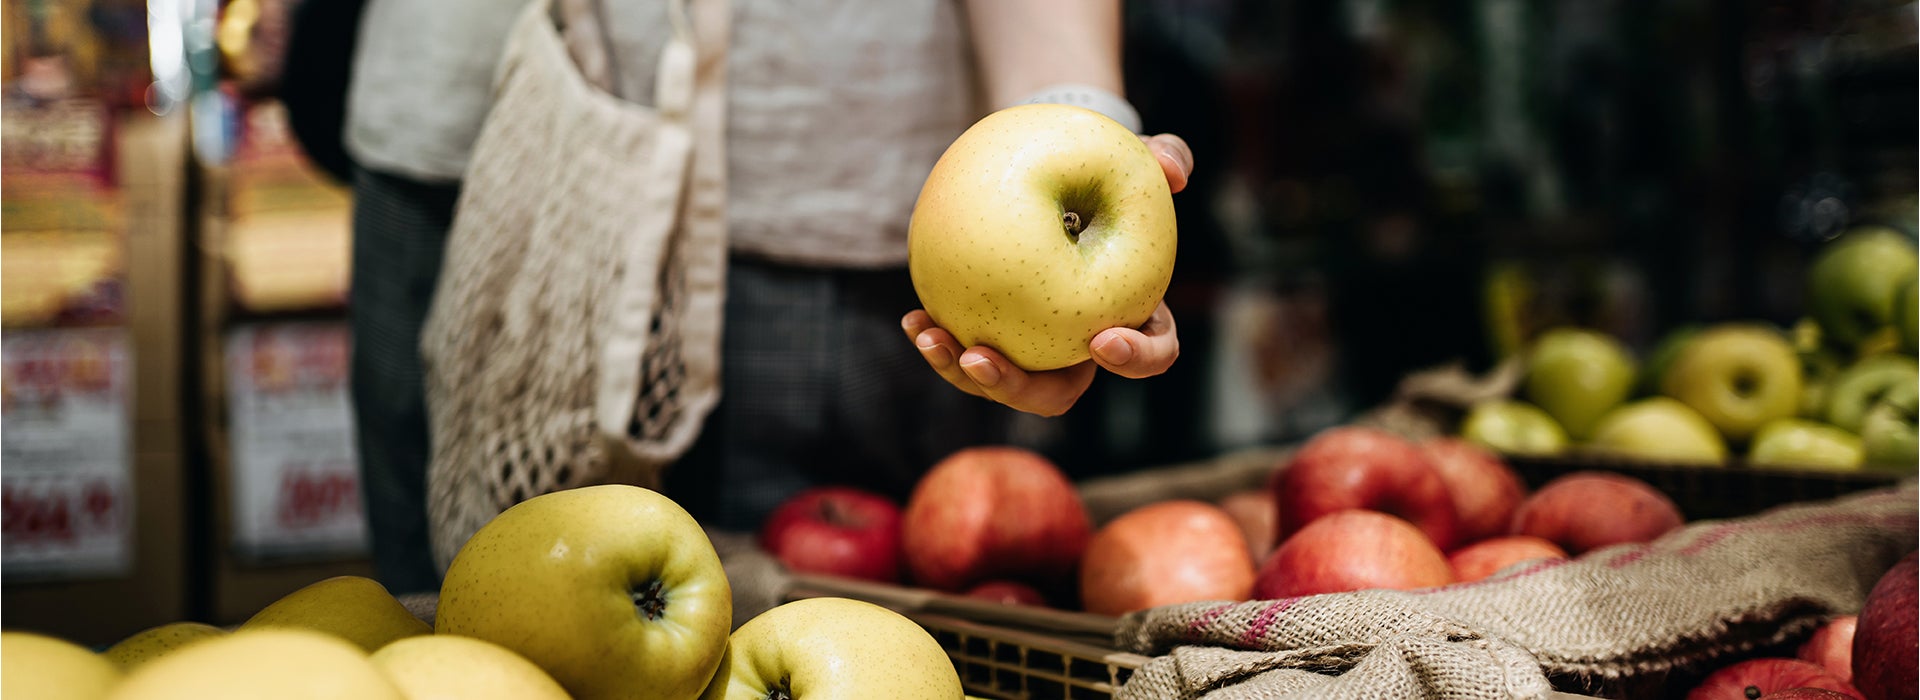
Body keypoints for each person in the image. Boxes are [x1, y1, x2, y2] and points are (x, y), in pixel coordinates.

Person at [337, 0, 1193, 594]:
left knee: (816, 638)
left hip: (814, 210)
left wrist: (1075, 112)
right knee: (457, 632)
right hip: (465, 162)